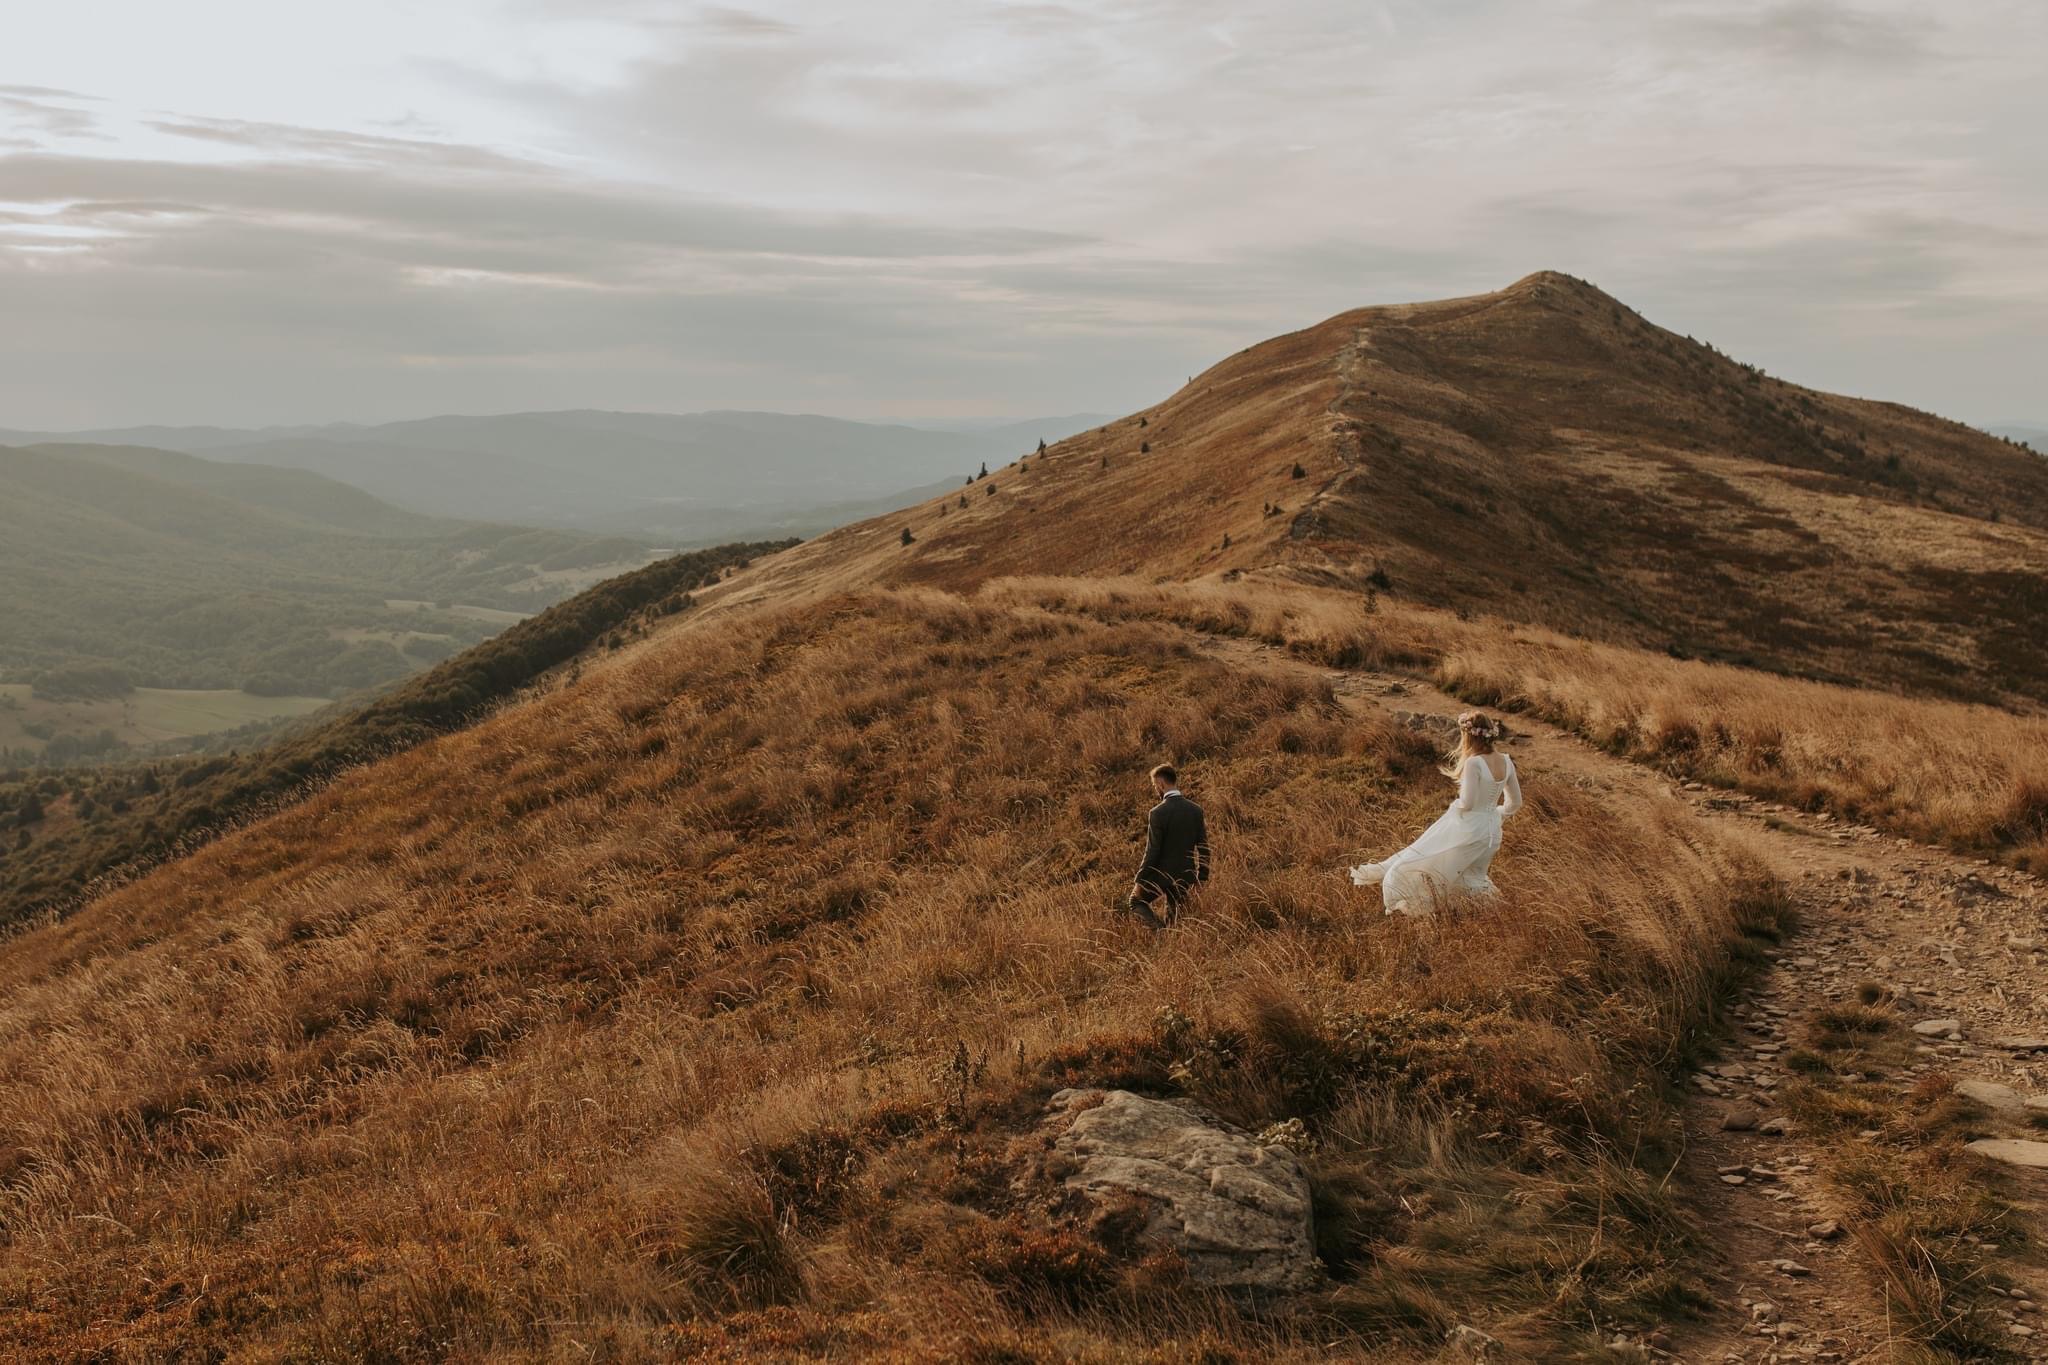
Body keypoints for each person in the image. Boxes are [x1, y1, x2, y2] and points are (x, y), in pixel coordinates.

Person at [1350, 711, 1522, 915]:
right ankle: (1487, 917)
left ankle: (1430, 909)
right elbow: (1515, 804)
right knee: (1471, 878)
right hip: (1492, 833)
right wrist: (1494, 814)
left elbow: (1466, 803)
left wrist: (1453, 812)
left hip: (1470, 831)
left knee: (1423, 860)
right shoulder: (1506, 761)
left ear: (1468, 735)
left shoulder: (1473, 763)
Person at [1125, 763, 1210, 928]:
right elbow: (1203, 847)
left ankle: (1159, 930)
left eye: (1154, 785)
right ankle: (1169, 937)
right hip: (1185, 875)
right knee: (1176, 922)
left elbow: (1153, 850)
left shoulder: (1157, 813)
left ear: (1161, 784)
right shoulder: (1195, 810)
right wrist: (1202, 877)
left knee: (1135, 902)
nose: (1155, 789)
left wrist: (1140, 878)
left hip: (1160, 876)